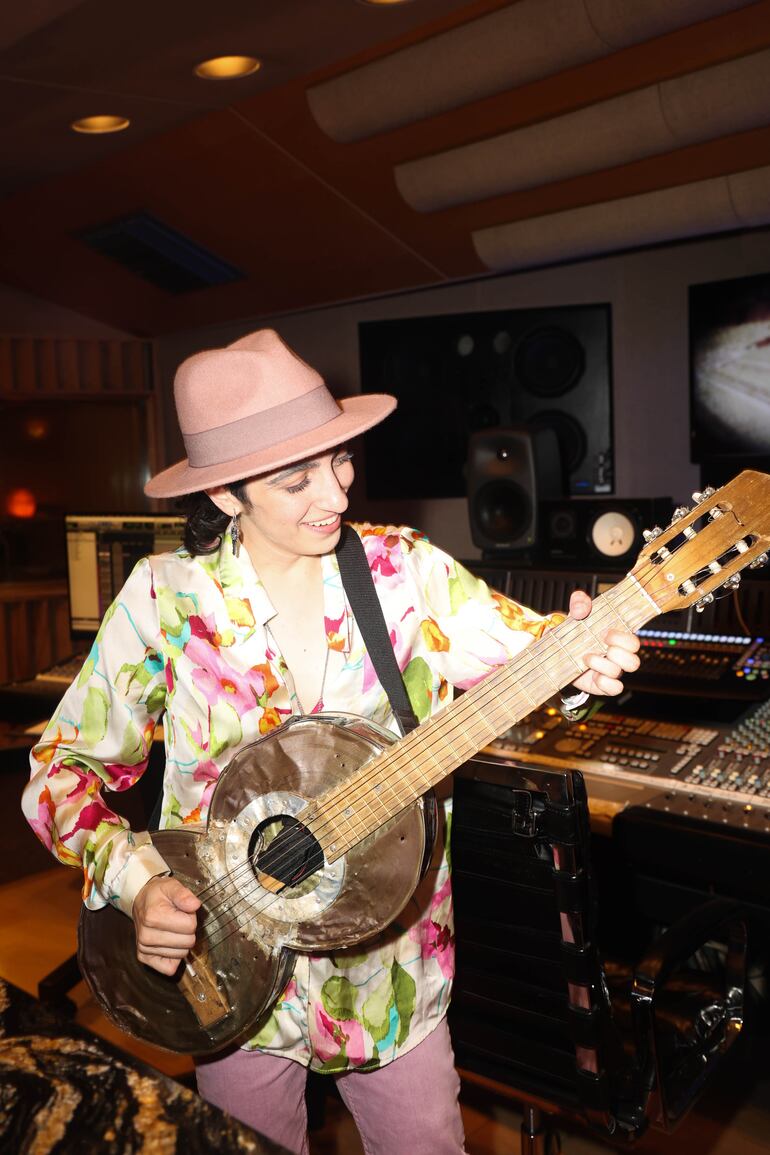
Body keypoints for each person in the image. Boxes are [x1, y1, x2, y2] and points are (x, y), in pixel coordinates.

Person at [23, 329, 640, 1154]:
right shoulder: (162, 601)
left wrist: (583, 659)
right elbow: (59, 770)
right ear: (228, 493)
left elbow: (533, 653)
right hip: (227, 966)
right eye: (296, 478)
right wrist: (134, 881)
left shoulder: (404, 571)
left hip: (391, 971)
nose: (337, 493)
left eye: (341, 460)